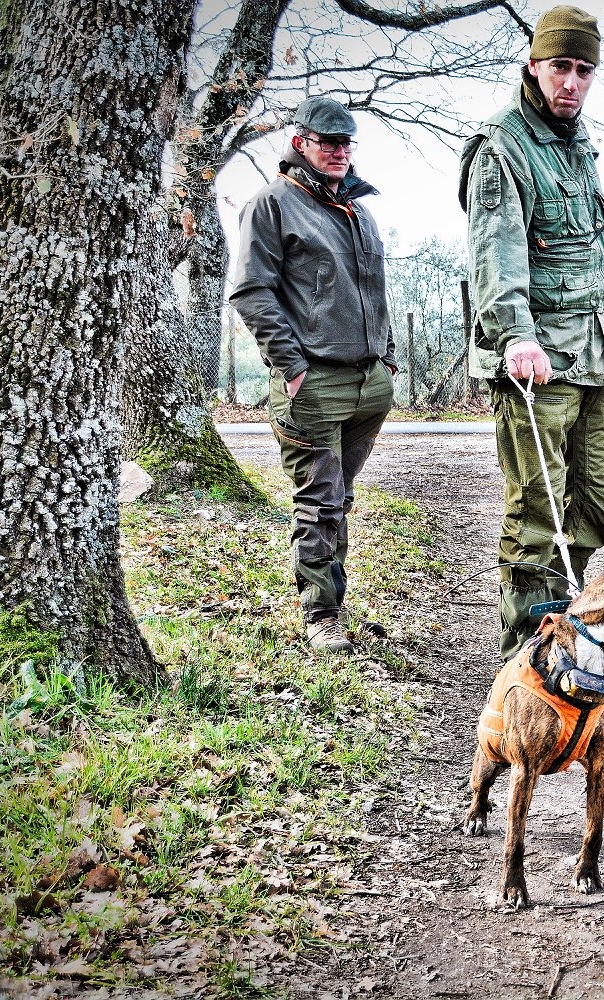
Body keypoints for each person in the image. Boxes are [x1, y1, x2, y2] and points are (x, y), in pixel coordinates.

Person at [458, 6, 604, 662]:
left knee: (593, 508)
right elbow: (495, 254)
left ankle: (559, 623)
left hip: (592, 355)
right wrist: (514, 336)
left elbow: (589, 255)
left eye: (585, 70)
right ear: (534, 64)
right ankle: (527, 660)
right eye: (561, 66)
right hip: (537, 359)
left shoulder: (577, 140)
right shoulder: (502, 144)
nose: (572, 82)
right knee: (539, 517)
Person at [232, 96, 397, 655]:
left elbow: (374, 291)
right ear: (300, 143)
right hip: (313, 384)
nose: (340, 152)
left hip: (368, 382)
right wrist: (293, 367)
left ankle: (336, 602)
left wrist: (388, 356)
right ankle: (321, 614)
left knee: (341, 497)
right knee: (320, 500)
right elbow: (251, 292)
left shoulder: (359, 209)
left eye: (347, 143)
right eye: (329, 142)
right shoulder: (271, 205)